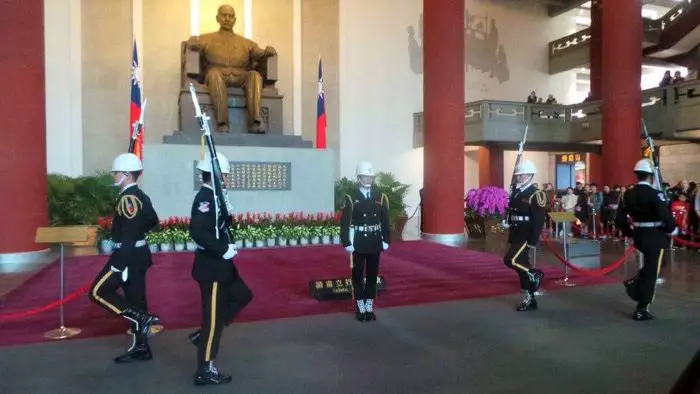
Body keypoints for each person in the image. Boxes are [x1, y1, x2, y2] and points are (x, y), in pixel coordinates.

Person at [187, 152, 253, 386]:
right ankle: (205, 368)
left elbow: (219, 226)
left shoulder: (216, 197)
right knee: (212, 321)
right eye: (224, 175)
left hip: (222, 266)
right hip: (212, 267)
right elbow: (197, 232)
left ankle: (202, 336)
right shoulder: (204, 198)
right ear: (215, 175)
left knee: (243, 295)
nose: (227, 178)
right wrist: (221, 249)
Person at [88, 153, 160, 363]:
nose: (113, 175)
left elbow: (127, 235)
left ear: (126, 175)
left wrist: (119, 265)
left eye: (116, 172)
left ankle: (140, 318)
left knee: (97, 292)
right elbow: (152, 220)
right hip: (139, 254)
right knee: (136, 300)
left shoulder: (128, 199)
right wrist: (138, 233)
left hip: (127, 256)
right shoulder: (140, 195)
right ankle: (141, 347)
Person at [186, 4, 277, 133]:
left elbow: (258, 53)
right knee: (214, 74)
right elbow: (191, 44)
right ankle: (222, 123)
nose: (227, 19)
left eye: (231, 16)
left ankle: (255, 122)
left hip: (240, 76)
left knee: (254, 75)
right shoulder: (206, 38)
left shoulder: (246, 43)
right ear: (217, 18)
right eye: (224, 15)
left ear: (235, 19)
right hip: (217, 74)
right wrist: (192, 40)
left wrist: (267, 51)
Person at [615, 159, 676, 321]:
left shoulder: (627, 194)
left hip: (638, 234)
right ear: (651, 176)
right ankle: (642, 307)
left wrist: (629, 232)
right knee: (652, 271)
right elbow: (666, 217)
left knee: (652, 267)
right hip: (655, 235)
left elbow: (619, 219)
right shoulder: (655, 194)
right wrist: (670, 229)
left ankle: (636, 283)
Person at [340, 161, 390, 322]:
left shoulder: (380, 197)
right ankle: (360, 304)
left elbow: (385, 220)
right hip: (358, 242)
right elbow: (345, 221)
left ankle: (369, 304)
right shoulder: (350, 197)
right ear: (359, 177)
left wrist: (386, 239)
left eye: (371, 177)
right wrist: (346, 241)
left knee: (372, 274)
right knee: (357, 275)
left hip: (375, 240)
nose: (369, 180)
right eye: (365, 177)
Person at [502, 159, 546, 312]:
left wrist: (532, 241)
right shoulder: (516, 191)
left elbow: (539, 220)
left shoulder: (536, 194)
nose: (518, 177)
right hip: (516, 232)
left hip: (526, 235)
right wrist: (507, 220)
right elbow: (512, 210)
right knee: (521, 266)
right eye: (518, 174)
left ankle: (535, 275)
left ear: (529, 175)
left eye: (521, 174)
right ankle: (529, 297)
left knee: (510, 260)